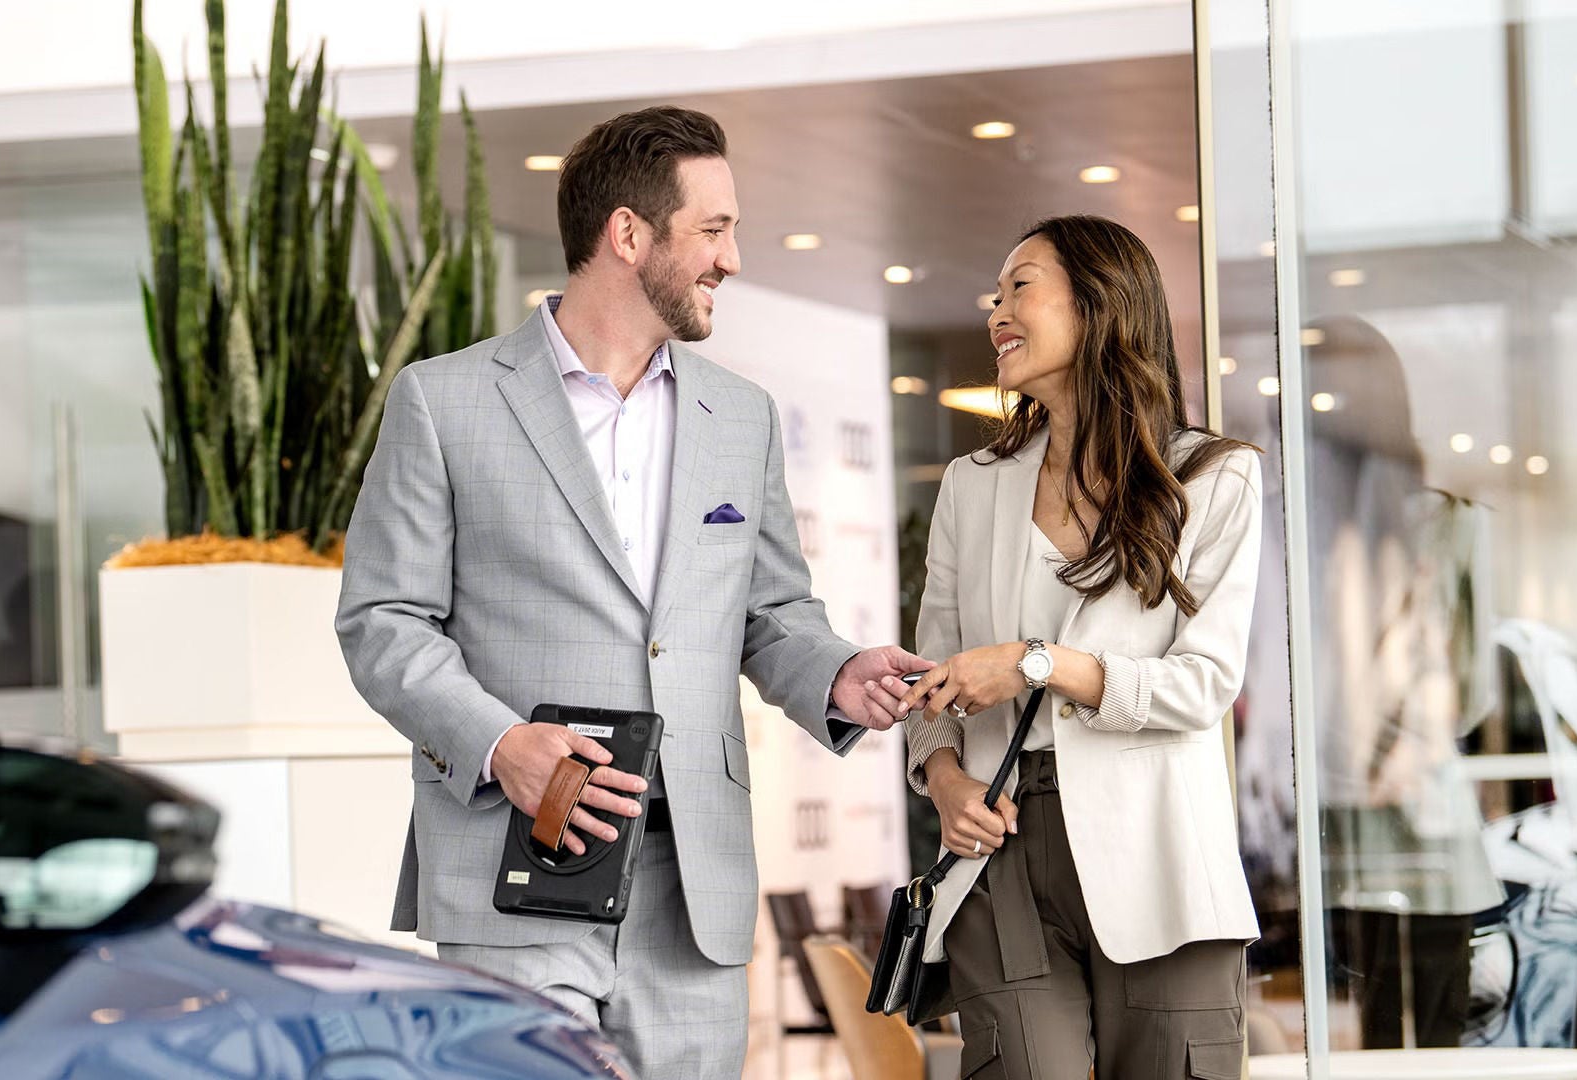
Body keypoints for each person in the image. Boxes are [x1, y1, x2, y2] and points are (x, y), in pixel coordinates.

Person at [334, 106, 926, 1079]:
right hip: (514, 866)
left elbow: (770, 613)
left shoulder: (740, 417)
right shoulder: (444, 401)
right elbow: (383, 623)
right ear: (627, 234)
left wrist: (838, 673)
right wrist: (499, 745)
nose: (732, 258)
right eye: (713, 229)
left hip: (689, 891)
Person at [897, 214, 1263, 1078]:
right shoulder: (971, 486)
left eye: (1020, 286)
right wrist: (945, 782)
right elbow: (930, 685)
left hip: (1164, 859)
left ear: (1100, 305)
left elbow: (1204, 685)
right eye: (995, 295)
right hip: (1002, 854)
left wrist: (1037, 661)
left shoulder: (1212, 477)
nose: (997, 314)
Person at [1306, 314, 1501, 1049]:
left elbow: (1471, 693)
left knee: (1398, 1049)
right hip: (1350, 846)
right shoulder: (1286, 530)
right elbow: (1472, 690)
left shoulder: (1446, 527)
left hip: (1404, 841)